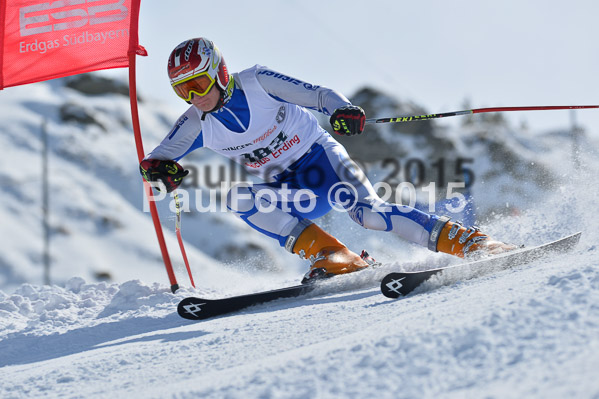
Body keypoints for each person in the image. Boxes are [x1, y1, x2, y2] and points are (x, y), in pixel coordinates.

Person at [140, 37, 514, 283]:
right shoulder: (194, 122)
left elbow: (318, 96)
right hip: (285, 187)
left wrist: (343, 109)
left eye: (199, 84)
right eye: (182, 90)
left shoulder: (257, 82)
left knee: (369, 213)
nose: (194, 96)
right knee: (238, 197)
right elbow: (156, 160)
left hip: (323, 161)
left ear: (219, 73)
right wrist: (158, 171)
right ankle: (334, 256)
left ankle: (473, 243)